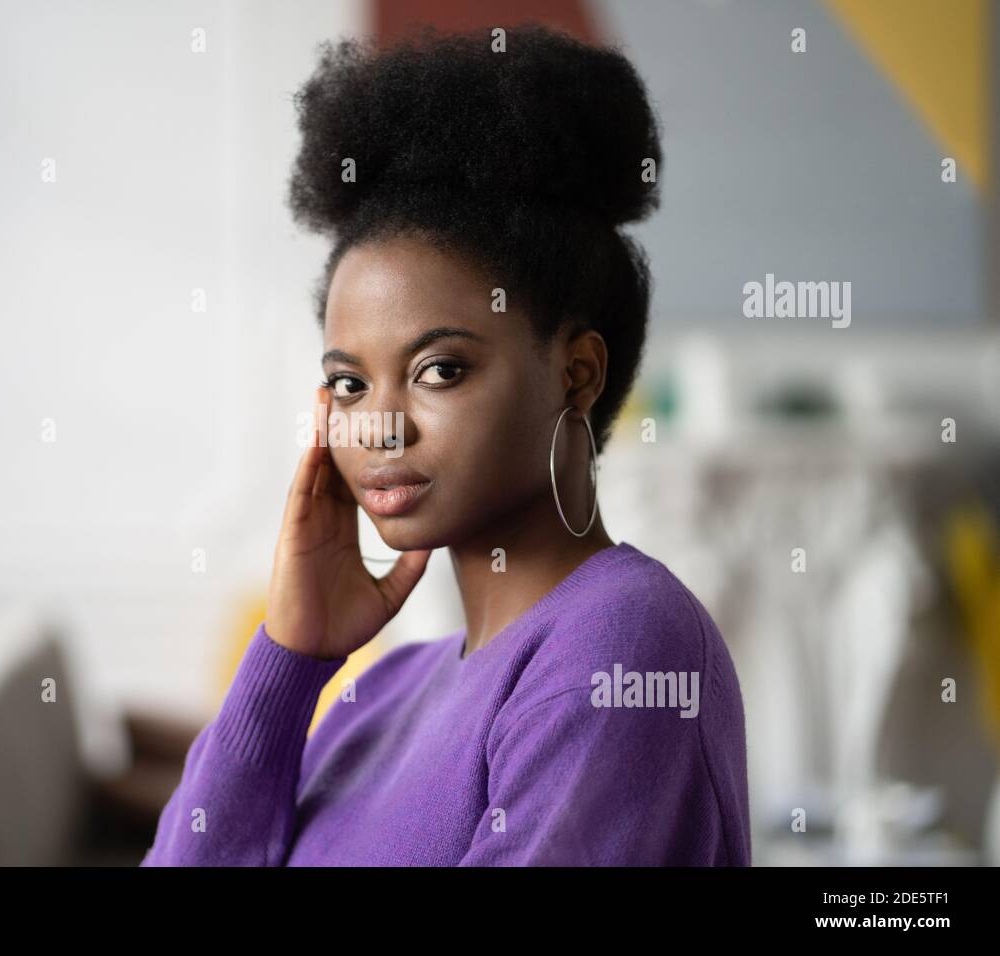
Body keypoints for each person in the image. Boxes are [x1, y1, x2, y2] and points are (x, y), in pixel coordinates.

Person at [141, 22, 750, 866]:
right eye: (350, 383)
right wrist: (287, 660)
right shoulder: (390, 689)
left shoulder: (623, 643)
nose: (381, 424)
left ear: (575, 374)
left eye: (438, 370)